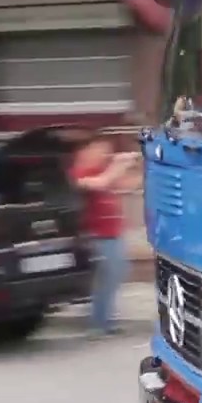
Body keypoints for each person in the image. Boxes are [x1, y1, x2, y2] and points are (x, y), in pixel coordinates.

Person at [70, 134, 141, 337]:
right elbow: (102, 183)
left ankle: (106, 320)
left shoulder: (101, 170)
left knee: (115, 276)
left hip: (112, 233)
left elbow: (128, 184)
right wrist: (118, 165)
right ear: (85, 151)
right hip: (97, 235)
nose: (105, 154)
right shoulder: (79, 173)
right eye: (101, 149)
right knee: (106, 278)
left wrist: (137, 167)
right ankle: (98, 323)